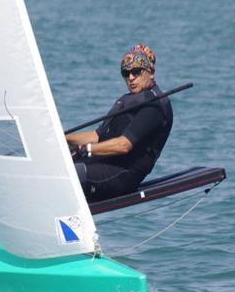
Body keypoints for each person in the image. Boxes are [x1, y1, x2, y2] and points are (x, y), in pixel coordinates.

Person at [67, 44, 173, 201]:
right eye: (126, 73)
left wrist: (85, 150)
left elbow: (124, 145)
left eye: (136, 72)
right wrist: (63, 138)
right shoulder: (128, 99)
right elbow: (97, 135)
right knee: (55, 166)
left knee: (69, 176)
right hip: (101, 162)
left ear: (150, 72)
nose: (130, 77)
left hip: (122, 174)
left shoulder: (154, 105)